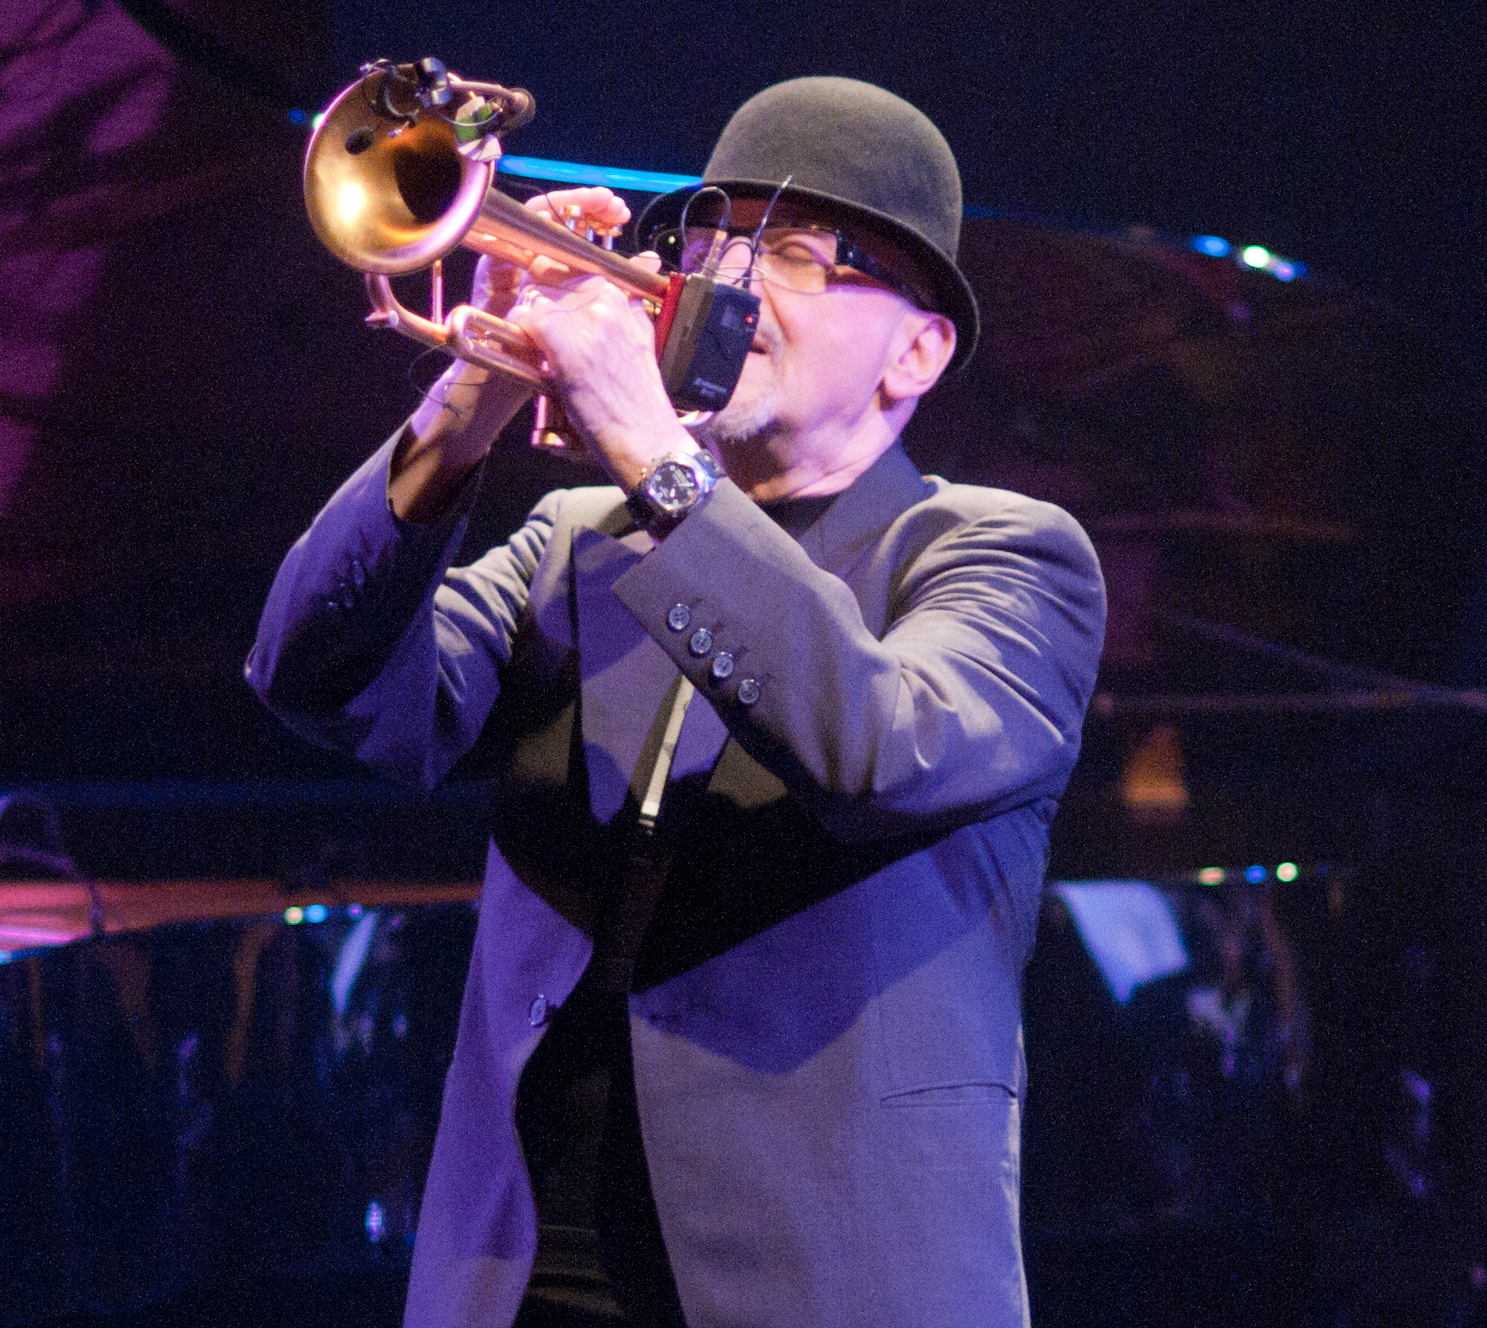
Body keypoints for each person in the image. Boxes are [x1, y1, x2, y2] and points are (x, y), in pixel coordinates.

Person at [249, 76, 1105, 1328]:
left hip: (827, 1281)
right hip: (521, 1278)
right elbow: (315, 680)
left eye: (806, 255)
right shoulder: (571, 539)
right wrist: (468, 402)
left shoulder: (1001, 555)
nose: (735, 279)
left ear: (917, 351)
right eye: (715, 235)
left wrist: (655, 456)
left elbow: (876, 746)